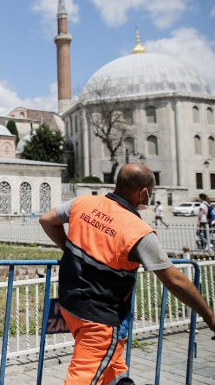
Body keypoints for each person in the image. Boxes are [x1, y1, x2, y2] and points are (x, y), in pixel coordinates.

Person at [39, 164, 215, 384]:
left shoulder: (83, 203)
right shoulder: (137, 231)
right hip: (98, 319)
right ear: (143, 193)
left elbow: (47, 219)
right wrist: (210, 316)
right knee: (85, 374)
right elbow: (175, 281)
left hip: (70, 304)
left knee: (114, 370)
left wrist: (70, 250)